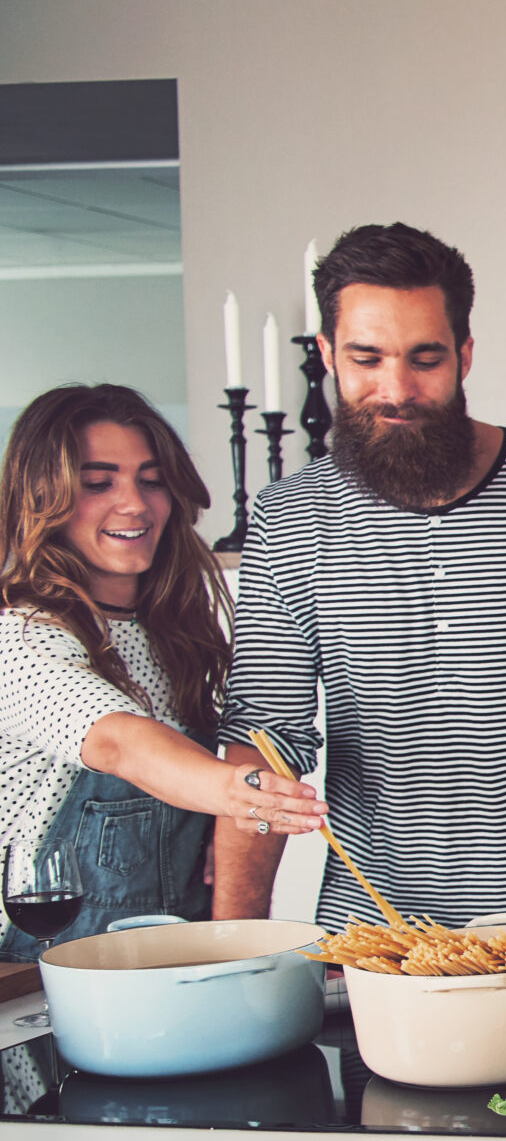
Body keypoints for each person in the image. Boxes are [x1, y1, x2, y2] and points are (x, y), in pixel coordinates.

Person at [213, 222, 506, 931]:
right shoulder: (292, 518)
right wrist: (234, 954)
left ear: (465, 354)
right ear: (326, 355)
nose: (395, 389)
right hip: (372, 950)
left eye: (423, 359)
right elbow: (264, 748)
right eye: (366, 358)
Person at [0, 386, 322, 952]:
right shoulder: (23, 637)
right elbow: (118, 742)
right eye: (98, 483)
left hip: (171, 963)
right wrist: (242, 793)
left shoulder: (174, 633)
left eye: (151, 480)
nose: (135, 504)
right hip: (41, 970)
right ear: (42, 499)